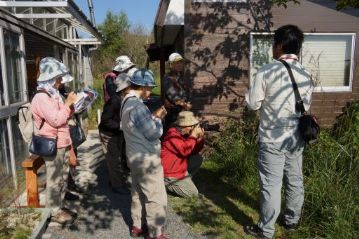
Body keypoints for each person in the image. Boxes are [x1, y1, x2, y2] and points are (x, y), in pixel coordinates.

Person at [244, 25, 314, 239]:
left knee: (271, 185)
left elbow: (253, 104)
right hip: (296, 137)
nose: (272, 48)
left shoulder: (267, 71)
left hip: (272, 137)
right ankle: (291, 220)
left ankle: (266, 230)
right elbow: (306, 106)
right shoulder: (306, 73)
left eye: (274, 44)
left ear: (280, 46)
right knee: (295, 179)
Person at [121, 69, 168, 239]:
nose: (150, 92)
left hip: (133, 155)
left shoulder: (125, 102)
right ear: (143, 87)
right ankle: (156, 233)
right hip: (146, 158)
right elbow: (153, 133)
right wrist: (158, 117)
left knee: (138, 192)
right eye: (149, 88)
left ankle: (137, 225)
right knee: (155, 196)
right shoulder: (138, 106)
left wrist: (152, 117)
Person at [31, 57, 78, 224]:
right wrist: (68, 104)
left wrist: (71, 107)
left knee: (63, 178)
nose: (60, 81)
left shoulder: (53, 94)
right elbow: (56, 120)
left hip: (63, 142)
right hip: (53, 145)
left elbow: (63, 118)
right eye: (58, 78)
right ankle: (53, 212)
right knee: (54, 180)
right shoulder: (41, 97)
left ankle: (59, 206)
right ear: (50, 78)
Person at [99, 73, 132, 193]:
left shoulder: (124, 99)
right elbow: (105, 120)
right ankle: (117, 186)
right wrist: (120, 126)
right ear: (125, 88)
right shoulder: (114, 100)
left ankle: (115, 181)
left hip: (118, 133)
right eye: (131, 86)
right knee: (113, 160)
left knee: (118, 157)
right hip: (108, 134)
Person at [161, 111, 204, 198]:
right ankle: (163, 183)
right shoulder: (172, 135)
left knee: (197, 158)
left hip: (179, 168)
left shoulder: (184, 134)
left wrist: (199, 139)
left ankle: (183, 182)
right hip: (168, 172)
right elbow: (185, 150)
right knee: (192, 193)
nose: (194, 128)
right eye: (193, 126)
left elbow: (194, 151)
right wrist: (193, 136)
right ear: (185, 126)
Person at [163, 53, 192, 132]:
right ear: (171, 65)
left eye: (180, 62)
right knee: (172, 133)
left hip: (183, 110)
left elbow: (187, 92)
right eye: (177, 63)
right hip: (173, 113)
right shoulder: (167, 78)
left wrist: (188, 101)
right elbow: (174, 97)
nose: (180, 64)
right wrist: (185, 104)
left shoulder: (181, 78)